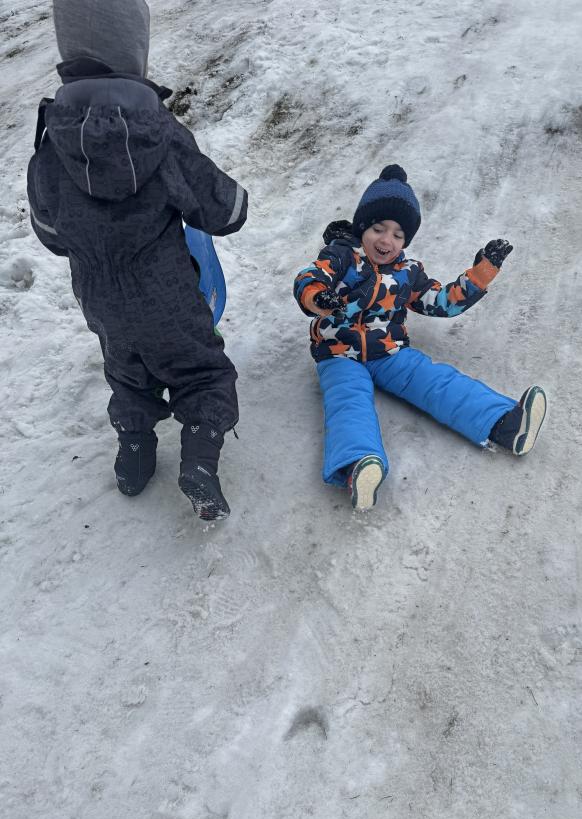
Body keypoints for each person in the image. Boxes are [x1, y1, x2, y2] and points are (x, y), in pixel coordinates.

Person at [27, 0, 248, 521]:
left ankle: (134, 451)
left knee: (127, 376)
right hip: (167, 298)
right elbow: (224, 211)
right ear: (135, 51)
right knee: (202, 373)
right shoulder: (158, 133)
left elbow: (49, 233)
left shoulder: (50, 143)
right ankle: (198, 461)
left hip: (102, 303)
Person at [293, 164, 547, 511]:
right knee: (348, 402)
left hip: (389, 351)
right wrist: (317, 297)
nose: (386, 240)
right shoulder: (341, 257)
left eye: (398, 235)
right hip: (338, 352)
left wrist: (479, 275)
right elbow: (310, 278)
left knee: (434, 381)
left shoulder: (408, 271)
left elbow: (440, 302)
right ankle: (357, 467)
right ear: (361, 227)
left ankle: (505, 424)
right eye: (378, 229)